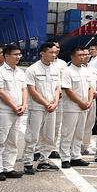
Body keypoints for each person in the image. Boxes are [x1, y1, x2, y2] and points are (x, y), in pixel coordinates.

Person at [0, 44, 28, 181]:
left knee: (12, 141)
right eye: (15, 54)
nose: (18, 57)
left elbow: (24, 90)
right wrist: (14, 106)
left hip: (17, 110)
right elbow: (0, 91)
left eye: (19, 54)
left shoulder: (21, 72)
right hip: (4, 111)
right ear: (6, 56)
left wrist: (24, 105)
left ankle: (8, 167)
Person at [22, 42, 62, 174]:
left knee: (49, 136)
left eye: (55, 52)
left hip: (52, 107)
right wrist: (46, 103)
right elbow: (32, 90)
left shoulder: (55, 69)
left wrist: (55, 102)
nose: (54, 55)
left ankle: (43, 160)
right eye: (51, 52)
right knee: (32, 135)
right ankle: (28, 162)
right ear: (42, 53)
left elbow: (57, 88)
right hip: (38, 107)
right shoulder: (32, 69)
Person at [58, 47, 95, 168]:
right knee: (67, 133)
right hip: (71, 107)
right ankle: (65, 158)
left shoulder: (86, 71)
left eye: (84, 55)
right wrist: (80, 102)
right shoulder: (67, 71)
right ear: (72, 57)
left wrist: (89, 101)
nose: (83, 57)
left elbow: (91, 88)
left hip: (84, 106)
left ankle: (76, 156)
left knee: (79, 133)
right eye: (79, 55)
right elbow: (68, 90)